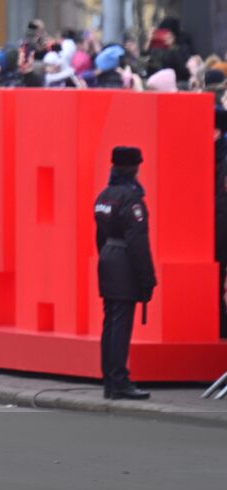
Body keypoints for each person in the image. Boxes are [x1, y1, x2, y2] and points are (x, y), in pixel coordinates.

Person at [93, 146, 156, 400]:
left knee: (110, 323)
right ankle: (120, 381)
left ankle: (110, 381)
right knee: (121, 324)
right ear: (134, 168)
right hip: (124, 262)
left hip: (107, 258)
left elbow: (100, 235)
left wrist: (105, 257)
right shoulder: (131, 198)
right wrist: (147, 278)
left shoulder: (104, 195)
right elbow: (138, 241)